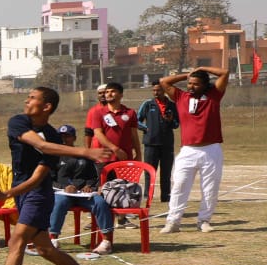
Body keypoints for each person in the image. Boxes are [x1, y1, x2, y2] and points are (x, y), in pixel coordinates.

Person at [0, 87, 112, 265]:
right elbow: (40, 145)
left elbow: (39, 177)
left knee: (16, 240)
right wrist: (85, 151)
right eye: (28, 97)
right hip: (24, 192)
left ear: (46, 107)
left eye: (32, 98)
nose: (27, 101)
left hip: (39, 194)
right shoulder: (18, 122)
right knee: (46, 249)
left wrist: (8, 193)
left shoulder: (54, 136)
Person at [158, 66, 229, 233]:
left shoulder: (214, 95)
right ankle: (173, 222)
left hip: (211, 150)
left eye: (196, 84)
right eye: (189, 83)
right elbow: (164, 81)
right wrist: (186, 75)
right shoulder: (181, 96)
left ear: (205, 85)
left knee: (210, 188)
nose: (191, 86)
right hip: (188, 151)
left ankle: (204, 221)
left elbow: (224, 73)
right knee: (179, 185)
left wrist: (202, 68)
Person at [47, 124, 115, 255]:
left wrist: (90, 186)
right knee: (59, 202)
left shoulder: (84, 155)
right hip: (63, 193)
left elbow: (93, 176)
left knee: (100, 203)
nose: (63, 139)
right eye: (60, 136)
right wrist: (64, 187)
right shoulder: (53, 156)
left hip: (84, 194)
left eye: (67, 136)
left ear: (74, 138)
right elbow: (50, 179)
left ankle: (106, 242)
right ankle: (53, 239)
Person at [89, 82, 142, 228]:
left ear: (121, 94)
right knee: (102, 189)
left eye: (112, 91)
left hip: (124, 158)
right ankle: (97, 220)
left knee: (123, 188)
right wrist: (114, 148)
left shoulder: (130, 113)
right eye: (107, 92)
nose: (108, 94)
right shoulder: (98, 112)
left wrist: (138, 152)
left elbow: (133, 135)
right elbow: (98, 134)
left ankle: (122, 219)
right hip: (104, 157)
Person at [137, 80, 180, 203]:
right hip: (150, 144)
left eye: (159, 90)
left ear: (164, 91)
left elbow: (176, 124)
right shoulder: (148, 104)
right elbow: (136, 120)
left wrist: (170, 120)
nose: (156, 93)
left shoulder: (172, 105)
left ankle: (165, 197)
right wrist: (146, 128)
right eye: (154, 90)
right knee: (149, 172)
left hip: (167, 144)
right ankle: (147, 196)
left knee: (166, 173)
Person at [84, 83, 108, 148]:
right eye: (100, 93)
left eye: (105, 92)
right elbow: (88, 132)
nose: (102, 95)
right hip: (97, 148)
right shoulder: (93, 111)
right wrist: (87, 150)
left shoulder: (116, 110)